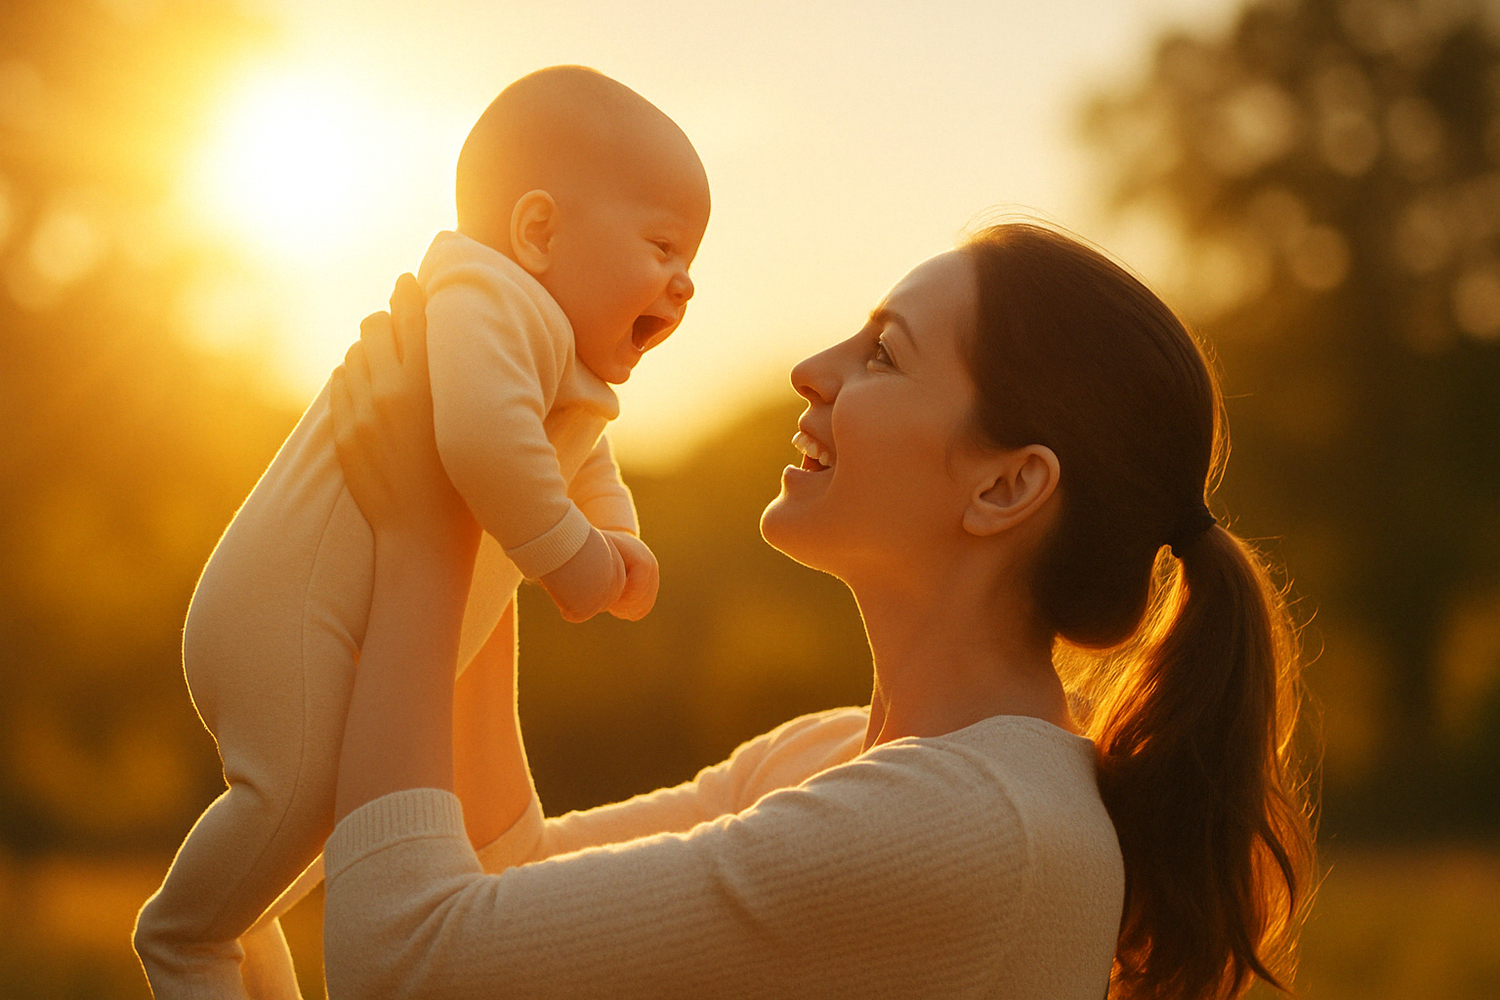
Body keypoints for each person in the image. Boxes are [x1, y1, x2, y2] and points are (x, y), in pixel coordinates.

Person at [321, 222, 1316, 1000]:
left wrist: (424, 547)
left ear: (1006, 487)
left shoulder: (966, 826)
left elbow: (403, 967)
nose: (815, 368)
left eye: (884, 352)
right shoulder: (832, 759)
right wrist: (492, 496)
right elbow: (510, 878)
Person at [133, 66, 710, 1000]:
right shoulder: (485, 300)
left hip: (330, 627)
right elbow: (485, 438)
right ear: (537, 232)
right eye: (663, 247)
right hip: (285, 617)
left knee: (313, 829)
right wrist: (571, 558)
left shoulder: (554, 364)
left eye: (693, 264)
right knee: (296, 803)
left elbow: (578, 461)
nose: (684, 285)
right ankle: (182, 934)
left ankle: (233, 941)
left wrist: (621, 539)